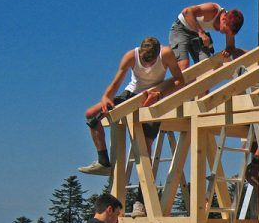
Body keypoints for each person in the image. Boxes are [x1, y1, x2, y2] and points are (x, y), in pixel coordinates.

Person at [79, 36, 184, 180]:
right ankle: (103, 162)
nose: (147, 66)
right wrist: (106, 97)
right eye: (144, 61)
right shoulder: (131, 56)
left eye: (151, 62)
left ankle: (142, 197)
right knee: (92, 115)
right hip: (131, 94)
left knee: (145, 148)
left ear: (157, 54)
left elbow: (180, 80)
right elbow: (117, 82)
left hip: (152, 98)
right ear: (140, 52)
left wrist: (160, 95)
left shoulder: (166, 54)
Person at [169, 2, 245, 72]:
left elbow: (231, 47)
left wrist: (227, 52)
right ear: (224, 19)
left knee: (206, 66)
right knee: (183, 66)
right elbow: (186, 12)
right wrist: (201, 33)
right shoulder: (213, 9)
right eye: (225, 30)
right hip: (181, 28)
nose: (225, 33)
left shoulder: (230, 26)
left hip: (196, 32)